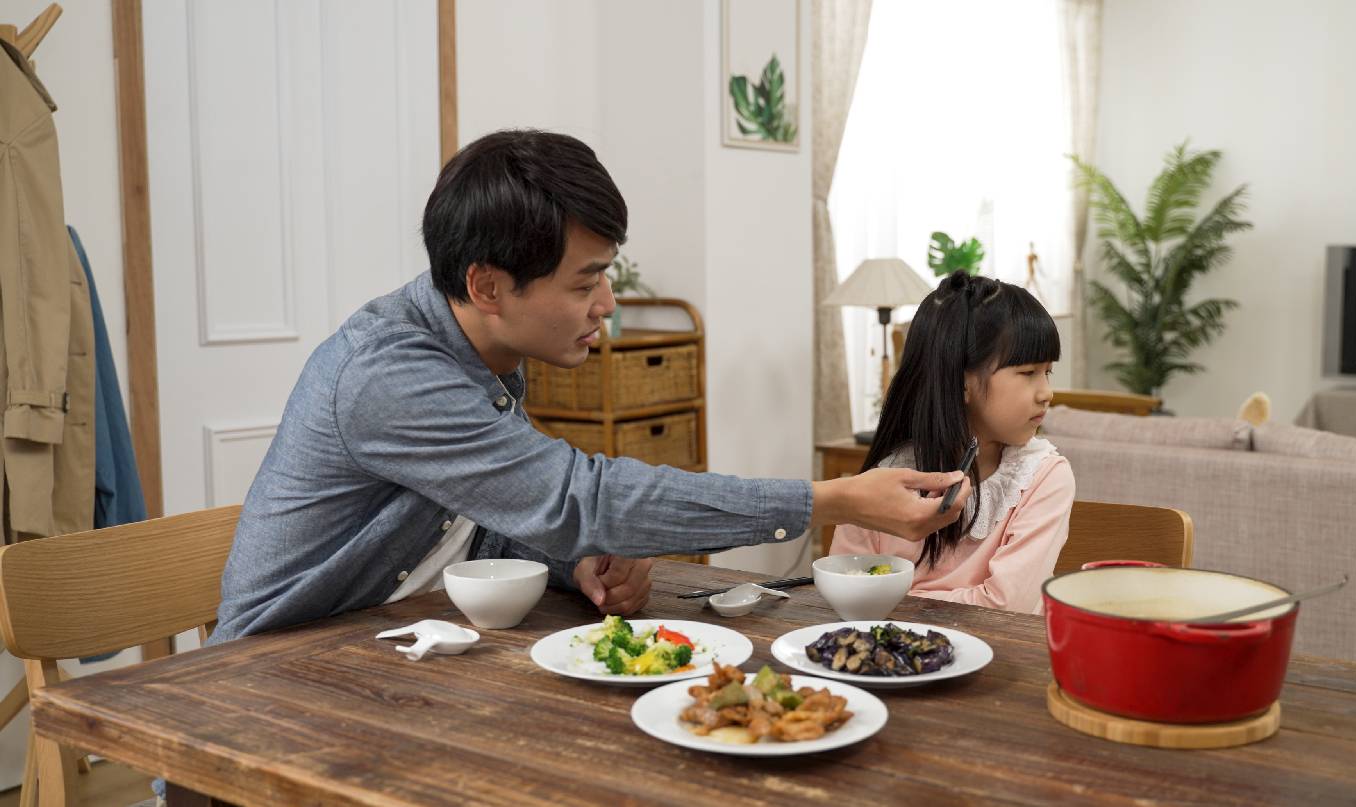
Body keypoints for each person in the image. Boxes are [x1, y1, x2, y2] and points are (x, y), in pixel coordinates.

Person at [211, 129, 972, 643]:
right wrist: (829, 498)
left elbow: (491, 511)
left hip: (390, 643)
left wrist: (574, 562)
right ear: (488, 284)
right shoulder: (388, 375)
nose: (606, 304)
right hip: (264, 679)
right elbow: (584, 498)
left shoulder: (489, 349)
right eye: (586, 282)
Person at [830, 273, 1074, 614]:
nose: (1047, 392)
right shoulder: (885, 476)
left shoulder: (1042, 477)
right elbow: (844, 587)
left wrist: (894, 604)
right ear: (962, 383)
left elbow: (1006, 606)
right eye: (1028, 372)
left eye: (1048, 372)